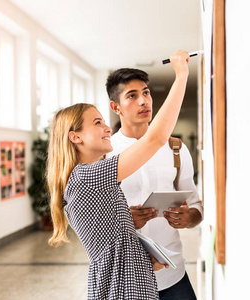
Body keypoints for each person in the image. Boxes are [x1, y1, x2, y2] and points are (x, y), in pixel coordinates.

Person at [46, 50, 190, 300]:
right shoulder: (86, 177)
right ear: (75, 137)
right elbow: (155, 139)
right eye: (97, 123)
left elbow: (114, 245)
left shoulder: (91, 177)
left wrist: (141, 259)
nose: (105, 127)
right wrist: (181, 75)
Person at [105, 66, 203, 300]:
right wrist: (124, 220)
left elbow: (197, 206)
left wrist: (189, 218)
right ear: (115, 107)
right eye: (132, 95)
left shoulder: (176, 149)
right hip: (127, 278)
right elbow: (92, 221)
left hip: (173, 275)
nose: (143, 101)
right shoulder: (105, 155)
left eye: (146, 93)